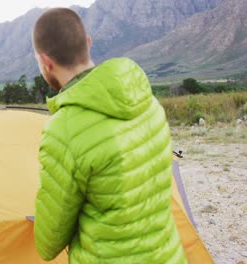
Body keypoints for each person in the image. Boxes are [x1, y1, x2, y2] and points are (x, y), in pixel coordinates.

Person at [32, 8, 187, 263]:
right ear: (89, 43)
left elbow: (48, 244)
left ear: (45, 61)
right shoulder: (147, 100)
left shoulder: (64, 129)